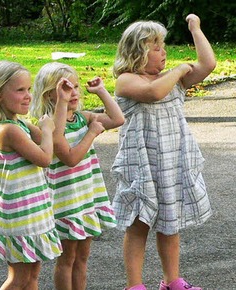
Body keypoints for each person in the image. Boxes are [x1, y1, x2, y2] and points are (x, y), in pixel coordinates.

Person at [111, 14, 215, 290]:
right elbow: (154, 93)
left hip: (172, 160)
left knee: (171, 223)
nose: (164, 53)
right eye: (156, 47)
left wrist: (196, 29)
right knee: (139, 224)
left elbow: (208, 64)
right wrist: (180, 70)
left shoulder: (170, 80)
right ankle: (134, 284)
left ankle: (172, 280)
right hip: (141, 162)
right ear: (137, 52)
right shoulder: (127, 80)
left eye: (163, 46)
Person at [30, 62, 124, 290]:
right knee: (67, 259)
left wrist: (101, 91)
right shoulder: (47, 126)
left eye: (76, 86)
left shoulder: (82, 117)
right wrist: (91, 133)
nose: (73, 92)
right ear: (49, 93)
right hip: (67, 201)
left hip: (87, 197)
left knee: (82, 257)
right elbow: (70, 158)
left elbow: (118, 119)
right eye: (65, 87)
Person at [0, 60, 63, 290]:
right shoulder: (8, 130)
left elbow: (55, 136)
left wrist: (61, 101)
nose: (27, 95)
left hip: (33, 210)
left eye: (29, 89)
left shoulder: (20, 123)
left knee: (32, 276)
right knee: (18, 278)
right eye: (20, 90)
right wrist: (46, 130)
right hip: (18, 215)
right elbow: (45, 157)